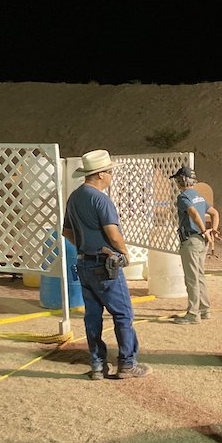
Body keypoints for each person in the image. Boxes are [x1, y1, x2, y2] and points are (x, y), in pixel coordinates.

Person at [62, 149, 151, 380]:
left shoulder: (75, 197)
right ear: (101, 174)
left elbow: (66, 232)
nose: (111, 175)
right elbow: (113, 233)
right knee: (123, 314)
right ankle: (127, 363)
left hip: (84, 263)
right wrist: (124, 252)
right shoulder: (101, 199)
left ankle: (98, 365)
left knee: (93, 316)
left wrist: (86, 245)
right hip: (105, 265)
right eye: (109, 172)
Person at [170, 166, 220, 325]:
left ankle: (193, 313)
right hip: (202, 240)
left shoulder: (183, 197)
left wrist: (204, 230)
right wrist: (212, 230)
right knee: (200, 276)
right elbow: (214, 213)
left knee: (192, 278)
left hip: (191, 240)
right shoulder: (198, 196)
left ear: (182, 181)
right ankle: (205, 309)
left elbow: (193, 213)